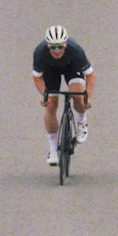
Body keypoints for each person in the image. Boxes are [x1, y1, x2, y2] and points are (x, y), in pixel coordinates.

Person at [32, 24, 95, 166]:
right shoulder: (40, 53)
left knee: (78, 96)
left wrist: (87, 97)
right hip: (50, 71)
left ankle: (81, 121)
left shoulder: (76, 50)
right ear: (48, 46)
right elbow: (37, 77)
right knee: (50, 105)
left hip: (72, 68)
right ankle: (53, 149)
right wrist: (45, 95)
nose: (57, 51)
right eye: (53, 47)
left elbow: (90, 76)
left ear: (65, 44)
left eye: (60, 46)